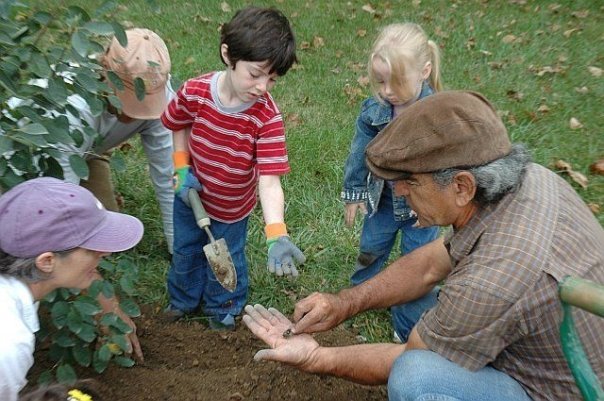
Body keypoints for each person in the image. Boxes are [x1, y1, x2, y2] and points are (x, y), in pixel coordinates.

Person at [243, 91, 604, 401]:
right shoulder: (532, 181)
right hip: (563, 353)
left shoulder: (491, 283)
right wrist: (343, 303)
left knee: (416, 376)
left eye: (410, 182)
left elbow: (410, 354)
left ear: (462, 187)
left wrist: (316, 358)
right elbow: (433, 262)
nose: (398, 191)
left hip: (564, 392)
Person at [161, 6, 305, 329]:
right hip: (190, 197)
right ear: (228, 55)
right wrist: (181, 171)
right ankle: (182, 300)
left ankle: (222, 308)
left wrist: (276, 232)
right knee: (185, 251)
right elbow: (177, 124)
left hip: (231, 209)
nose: (262, 87)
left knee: (225, 261)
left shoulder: (265, 117)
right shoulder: (196, 92)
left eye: (272, 79)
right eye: (255, 74)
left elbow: (269, 182)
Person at [0, 177, 144, 401]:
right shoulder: (8, 343)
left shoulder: (19, 283)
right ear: (46, 261)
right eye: (91, 248)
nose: (104, 253)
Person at [342, 23, 441, 291]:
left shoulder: (438, 115)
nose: (387, 91)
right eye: (381, 81)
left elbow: (449, 164)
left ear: (424, 72)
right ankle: (360, 295)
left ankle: (412, 310)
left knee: (420, 262)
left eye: (397, 82)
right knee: (370, 250)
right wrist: (354, 192)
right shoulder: (374, 112)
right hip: (383, 202)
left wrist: (435, 206)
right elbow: (359, 153)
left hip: (423, 206)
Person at [61, 28, 175, 253]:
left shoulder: (162, 96)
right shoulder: (72, 107)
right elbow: (60, 200)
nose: (136, 114)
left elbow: (168, 177)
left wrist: (180, 251)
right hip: (35, 157)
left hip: (91, 151)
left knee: (107, 238)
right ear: (106, 73)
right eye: (131, 100)